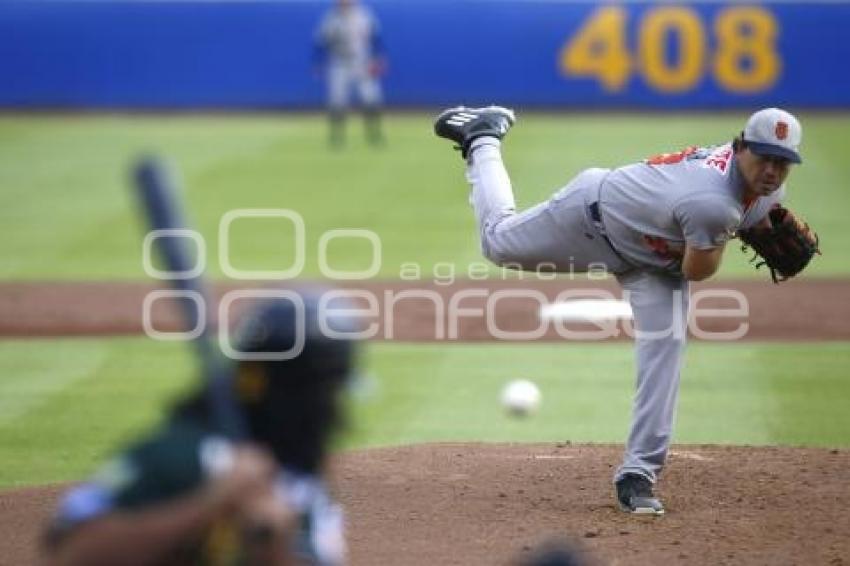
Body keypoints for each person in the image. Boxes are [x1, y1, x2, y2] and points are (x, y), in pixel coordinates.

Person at [435, 106, 805, 515]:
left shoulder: (763, 196)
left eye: (783, 162)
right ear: (740, 147)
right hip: (592, 220)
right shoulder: (712, 204)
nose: (772, 170)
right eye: (764, 156)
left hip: (651, 260)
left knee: (666, 350)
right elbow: (697, 270)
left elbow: (748, 218)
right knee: (498, 243)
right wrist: (734, 230)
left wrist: (750, 227)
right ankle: (482, 136)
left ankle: (638, 474)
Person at [42, 291, 358, 565]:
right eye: (331, 390)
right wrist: (209, 505)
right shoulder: (178, 456)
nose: (335, 409)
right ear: (299, 390)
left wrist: (271, 545)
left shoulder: (305, 479)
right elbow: (71, 555)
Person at [314, 0, 386, 148]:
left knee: (371, 98)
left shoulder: (363, 15)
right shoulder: (331, 18)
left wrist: (379, 58)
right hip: (340, 63)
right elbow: (321, 42)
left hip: (362, 62)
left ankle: (374, 136)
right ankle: (337, 138)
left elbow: (375, 38)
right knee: (337, 101)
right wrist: (318, 62)